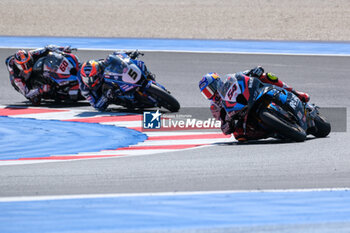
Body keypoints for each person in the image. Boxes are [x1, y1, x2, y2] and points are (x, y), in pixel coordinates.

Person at [199, 66, 310, 141]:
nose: (211, 94)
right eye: (206, 93)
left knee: (267, 76)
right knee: (239, 136)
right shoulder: (215, 107)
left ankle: (296, 93)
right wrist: (229, 122)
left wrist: (256, 70)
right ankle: (273, 131)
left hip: (252, 96)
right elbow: (224, 128)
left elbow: (244, 74)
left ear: (217, 82)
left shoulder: (229, 80)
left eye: (210, 89)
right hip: (244, 115)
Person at [77, 50, 154, 111]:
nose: (89, 81)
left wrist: (127, 54)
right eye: (86, 79)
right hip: (106, 95)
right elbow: (96, 106)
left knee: (134, 63)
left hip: (112, 80)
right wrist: (105, 97)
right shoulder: (84, 88)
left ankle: (146, 76)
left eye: (92, 78)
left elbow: (116, 55)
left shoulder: (101, 64)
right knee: (127, 102)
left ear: (98, 73)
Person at [5, 45, 73, 105]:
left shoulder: (32, 54)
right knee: (36, 99)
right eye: (23, 65)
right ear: (19, 66)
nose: (27, 65)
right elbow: (27, 93)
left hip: (31, 68)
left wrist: (62, 49)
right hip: (27, 83)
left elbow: (48, 48)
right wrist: (40, 89)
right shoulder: (16, 78)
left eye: (28, 62)